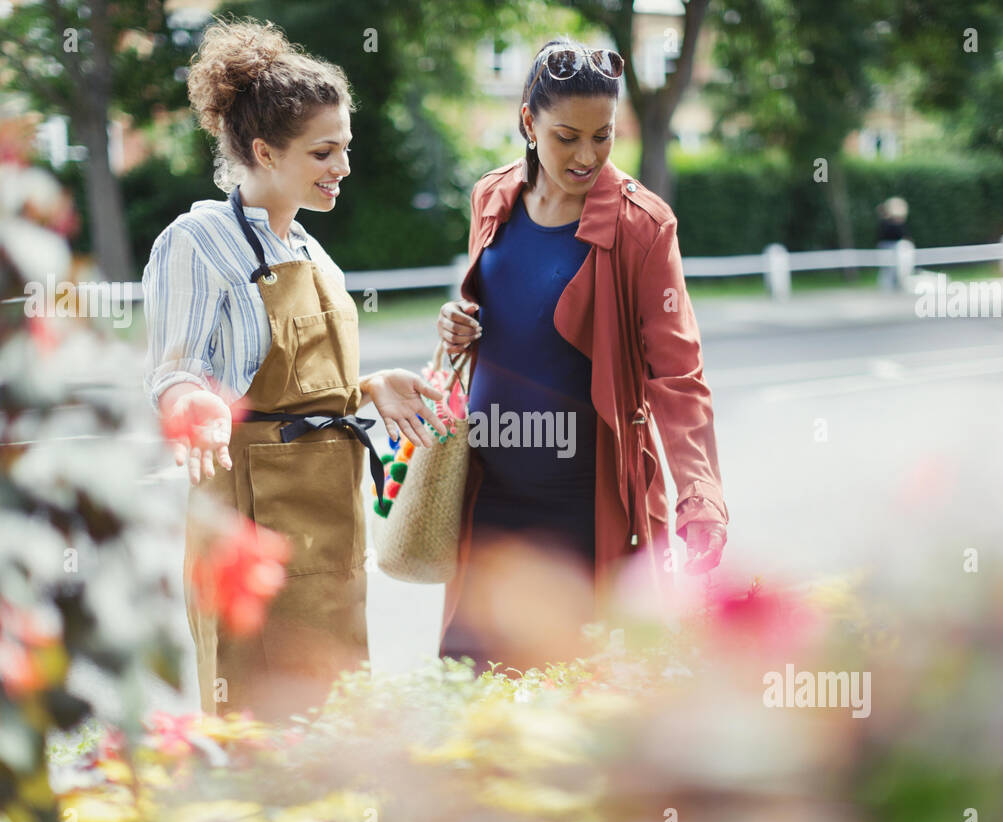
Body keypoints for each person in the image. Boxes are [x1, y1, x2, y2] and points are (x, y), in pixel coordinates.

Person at [143, 19, 442, 718]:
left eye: (345, 147)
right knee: (259, 706)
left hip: (330, 512)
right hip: (250, 510)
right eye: (323, 150)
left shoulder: (309, 249)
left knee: (334, 702)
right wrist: (191, 403)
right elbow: (174, 369)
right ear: (263, 150)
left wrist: (369, 388)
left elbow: (309, 389)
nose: (342, 165)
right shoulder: (197, 241)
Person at [434, 38, 729, 674]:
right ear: (527, 122)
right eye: (567, 136)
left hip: (586, 505)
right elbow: (508, 317)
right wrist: (462, 324)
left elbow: (679, 375)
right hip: (489, 496)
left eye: (604, 136)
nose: (587, 156)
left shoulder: (643, 226)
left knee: (577, 692)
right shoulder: (491, 199)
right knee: (476, 686)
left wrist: (699, 494)